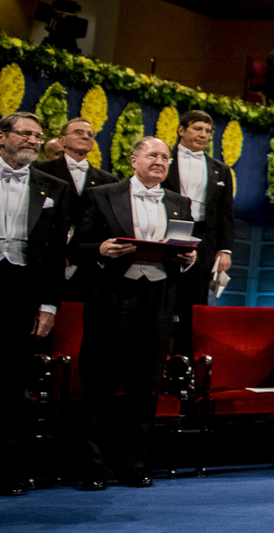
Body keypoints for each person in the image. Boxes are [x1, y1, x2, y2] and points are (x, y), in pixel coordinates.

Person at [75, 136, 194, 490]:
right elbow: (75, 247)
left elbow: (184, 247)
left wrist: (188, 259)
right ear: (133, 159)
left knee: (146, 387)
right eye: (153, 155)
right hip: (112, 295)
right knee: (101, 383)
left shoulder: (179, 202)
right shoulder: (102, 194)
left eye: (166, 157)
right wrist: (99, 248)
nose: (160, 161)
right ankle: (94, 467)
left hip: (157, 298)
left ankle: (135, 464)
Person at [0, 113, 70, 497]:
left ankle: (9, 472)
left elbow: (58, 251)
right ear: (1, 137)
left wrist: (49, 306)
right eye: (25, 133)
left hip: (23, 295)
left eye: (38, 136)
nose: (32, 139)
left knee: (13, 386)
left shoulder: (53, 187)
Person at [163, 110, 233, 346]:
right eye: (197, 129)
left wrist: (225, 250)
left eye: (208, 131)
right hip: (165, 232)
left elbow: (225, 212)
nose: (203, 135)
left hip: (203, 237)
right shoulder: (163, 159)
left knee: (194, 302)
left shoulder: (220, 169)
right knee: (162, 296)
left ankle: (184, 366)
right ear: (181, 130)